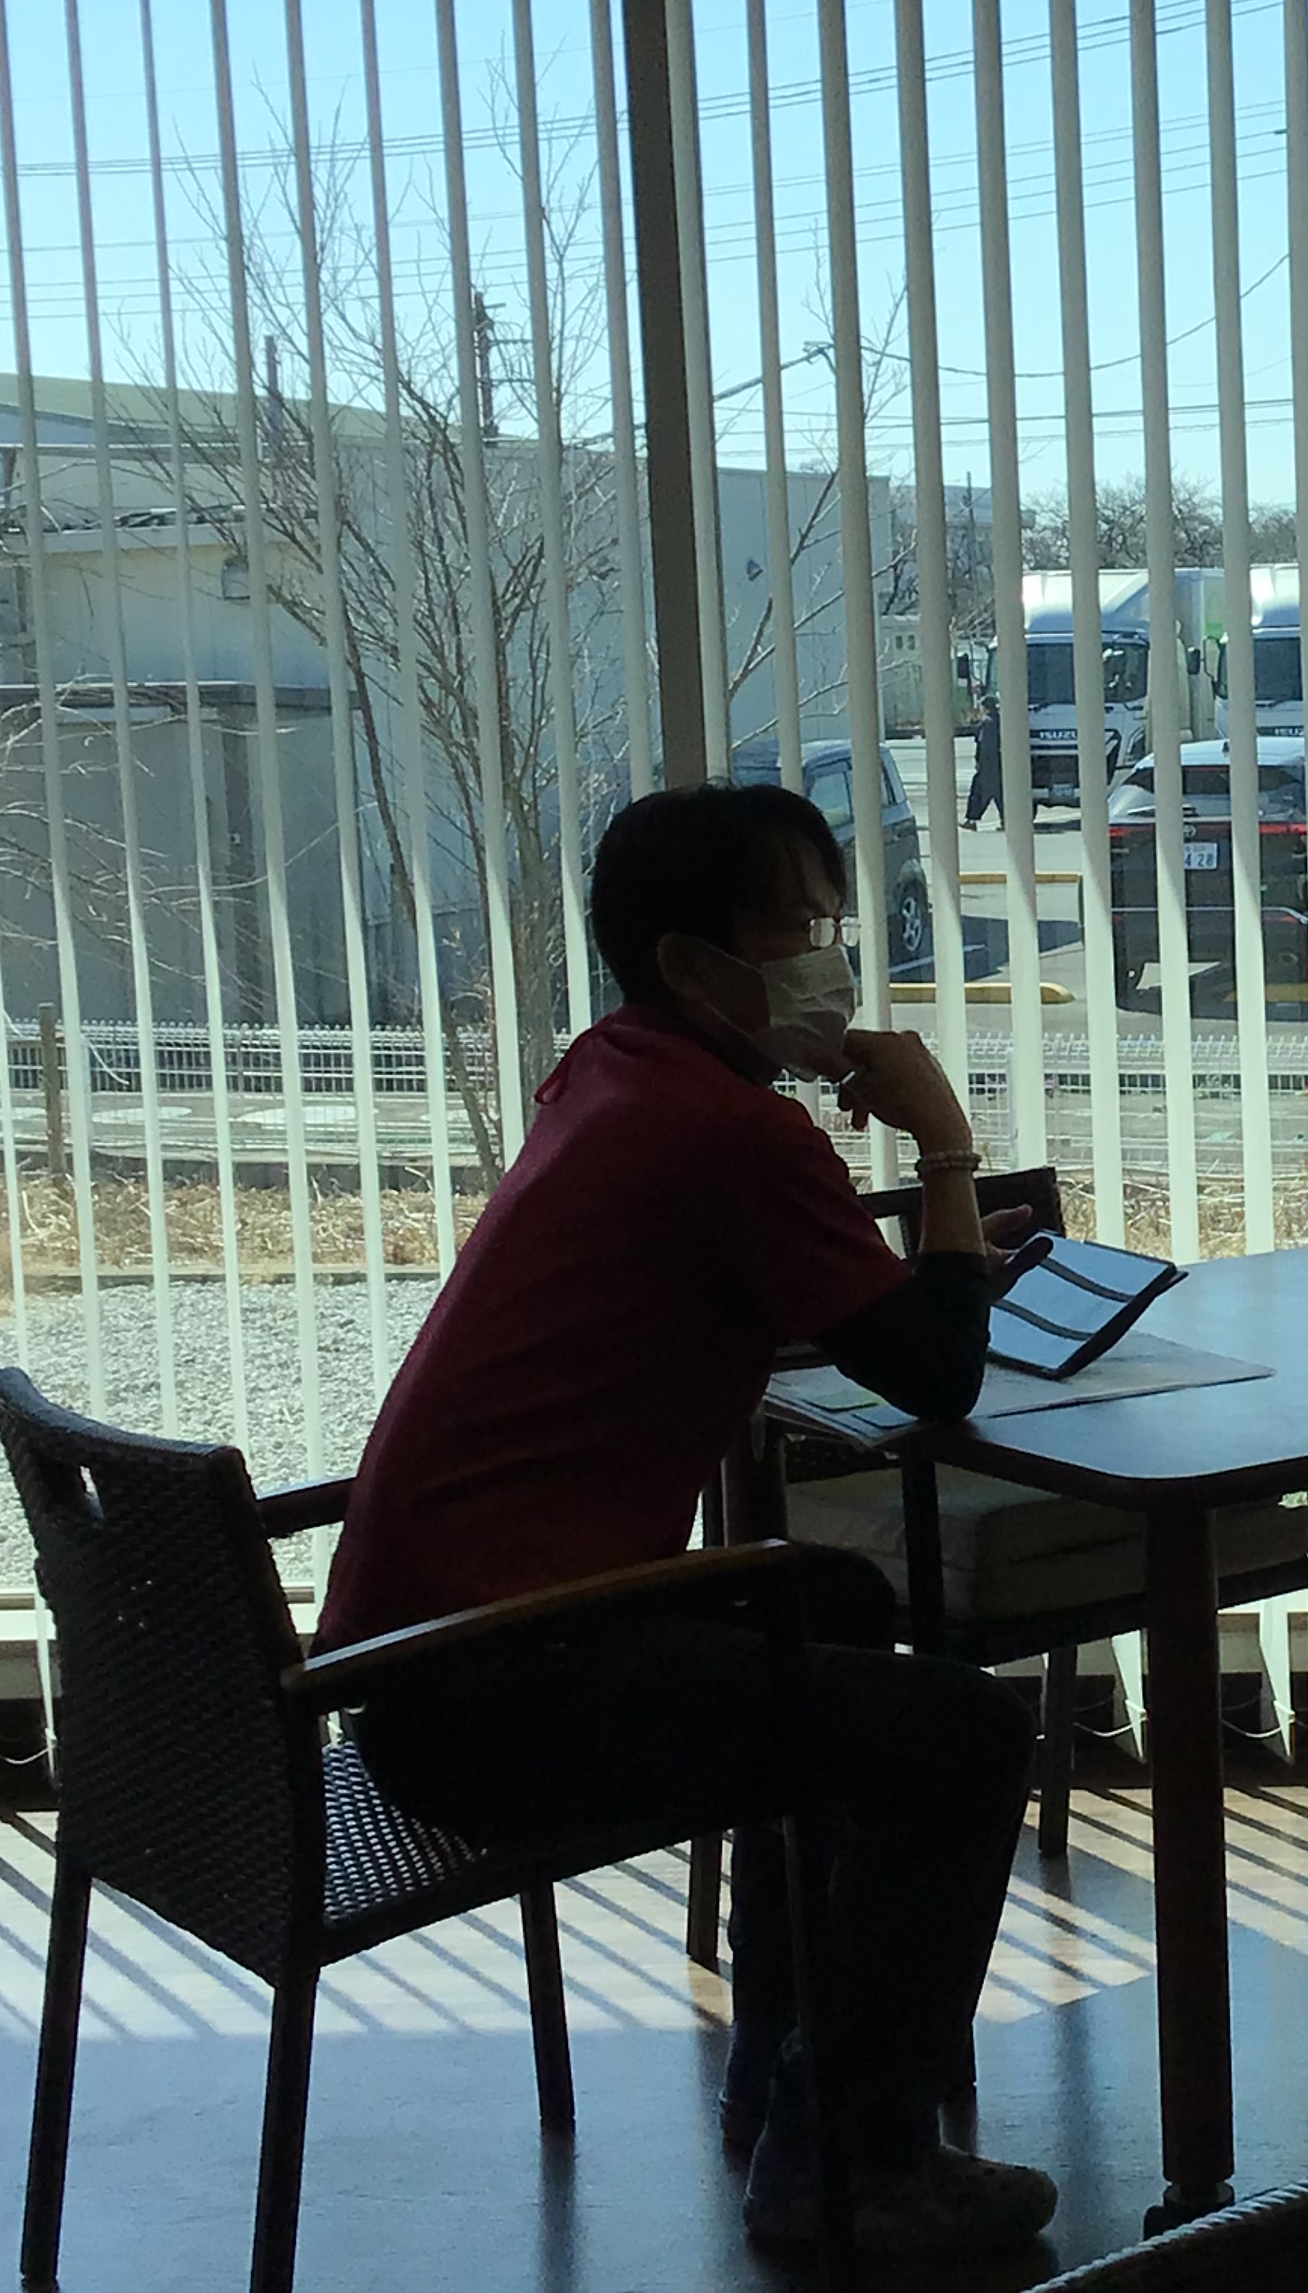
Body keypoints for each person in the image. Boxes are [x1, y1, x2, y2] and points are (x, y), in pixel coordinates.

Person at [319, 779, 1058, 2262]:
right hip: (499, 1693)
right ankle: (855, 2166)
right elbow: (935, 1377)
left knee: (837, 1611)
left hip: (424, 1660)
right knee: (964, 1735)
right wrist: (946, 1151)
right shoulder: (733, 1132)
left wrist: (919, 1273)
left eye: (834, 926)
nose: (832, 963)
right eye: (801, 930)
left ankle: (792, 2087)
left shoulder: (616, 1072)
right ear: (690, 962)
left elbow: (725, 1296)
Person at [966, 690, 1006, 830]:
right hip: (1000, 764)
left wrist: (980, 762)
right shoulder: (1000, 720)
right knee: (1000, 795)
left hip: (988, 765)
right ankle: (1006, 821)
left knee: (978, 793)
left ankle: (971, 821)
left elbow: (984, 745)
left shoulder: (987, 723)